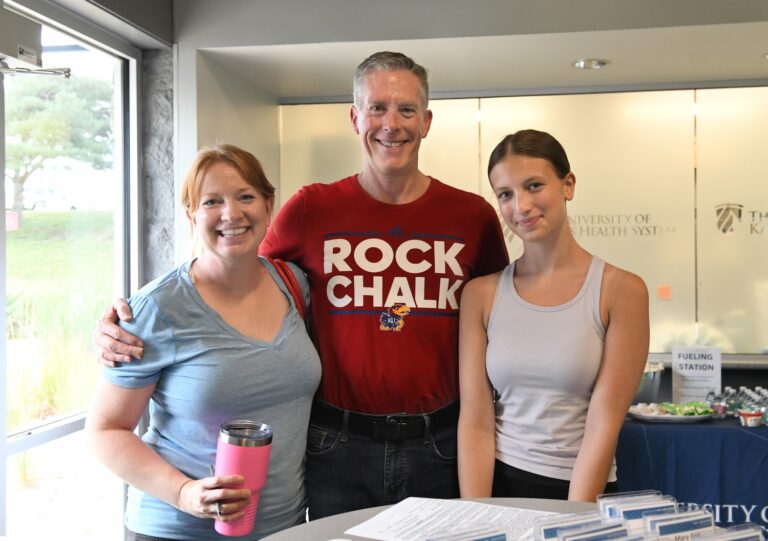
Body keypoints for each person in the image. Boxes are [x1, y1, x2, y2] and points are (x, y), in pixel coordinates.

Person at [94, 52, 508, 519]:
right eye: (377, 108)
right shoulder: (312, 208)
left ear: (427, 121)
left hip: (442, 444)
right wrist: (136, 317)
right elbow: (234, 268)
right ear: (355, 118)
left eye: (406, 109)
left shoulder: (472, 217)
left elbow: (509, 314)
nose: (391, 123)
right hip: (336, 448)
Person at [86, 144, 321, 540]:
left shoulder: (294, 286)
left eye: (245, 196)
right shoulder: (156, 309)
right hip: (176, 530)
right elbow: (106, 430)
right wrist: (183, 492)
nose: (232, 213)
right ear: (191, 215)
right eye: (212, 201)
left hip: (284, 528)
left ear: (269, 204)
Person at [457, 129, 649, 502]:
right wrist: (477, 515)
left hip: (583, 490)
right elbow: (477, 422)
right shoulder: (480, 295)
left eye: (534, 186)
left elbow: (603, 423)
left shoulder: (621, 290)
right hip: (500, 486)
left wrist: (574, 521)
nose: (521, 206)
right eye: (506, 195)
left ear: (568, 185)